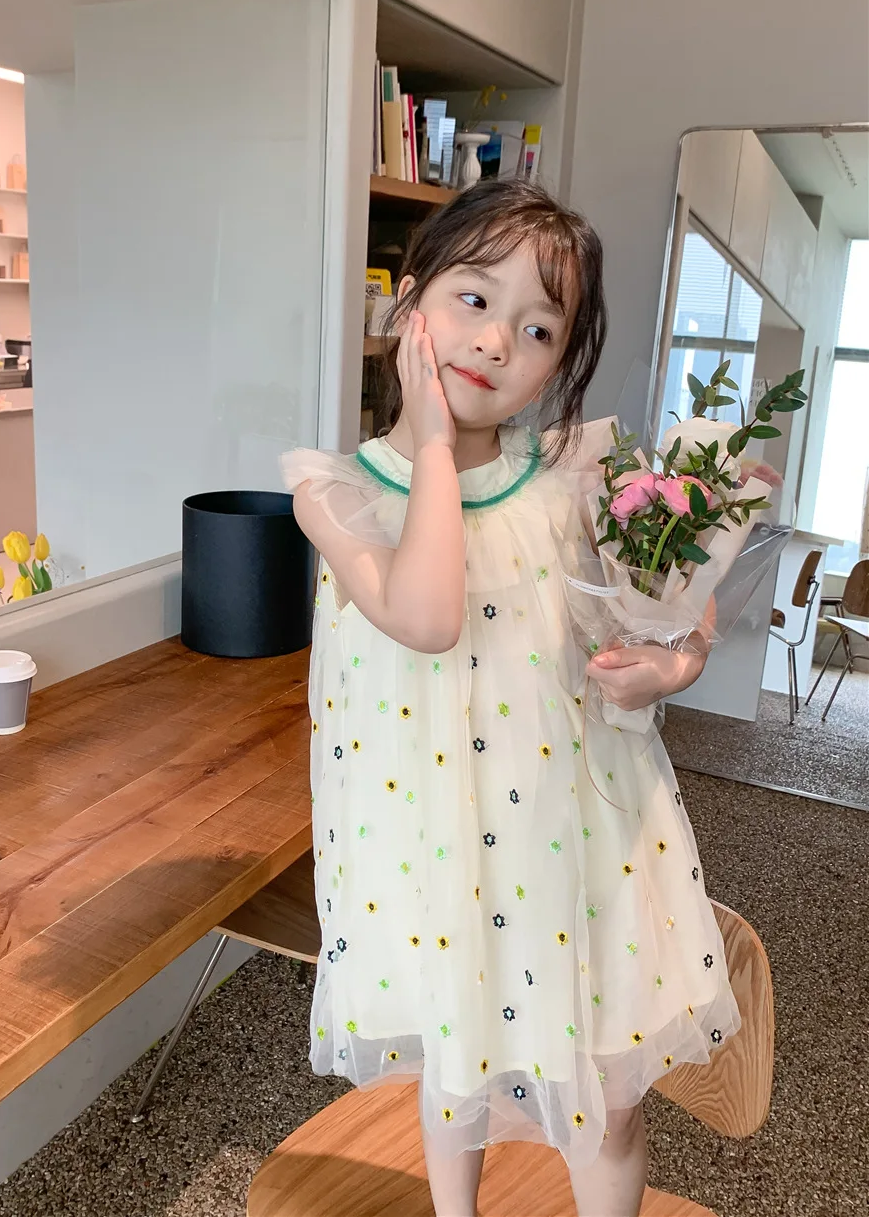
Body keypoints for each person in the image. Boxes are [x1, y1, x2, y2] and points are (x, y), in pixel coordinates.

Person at [281, 178, 741, 1217]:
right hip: (432, 850)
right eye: (474, 299)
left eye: (538, 329)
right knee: (456, 1077)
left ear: (559, 364)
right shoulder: (335, 491)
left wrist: (667, 669)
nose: (495, 341)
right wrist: (434, 449)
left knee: (608, 1101)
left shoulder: (576, 473)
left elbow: (682, 614)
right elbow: (427, 612)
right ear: (410, 301)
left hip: (582, 848)